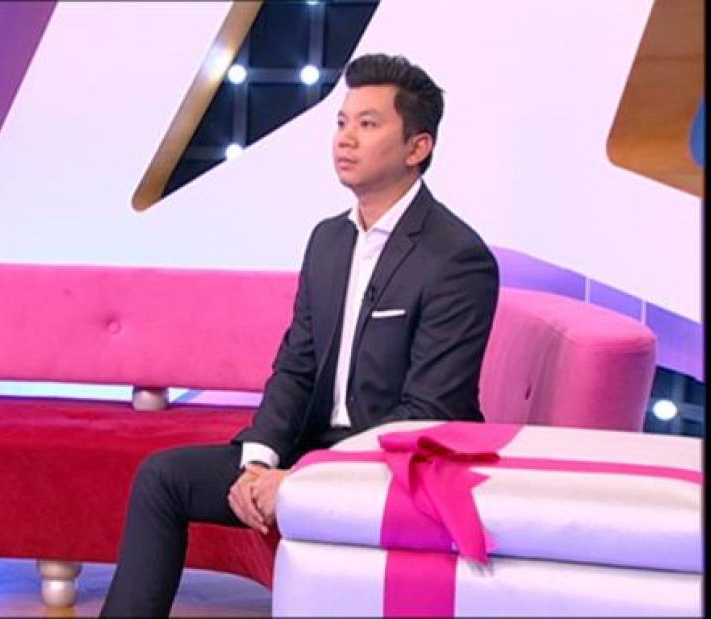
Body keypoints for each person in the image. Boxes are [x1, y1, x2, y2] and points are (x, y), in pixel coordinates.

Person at [100, 53, 499, 617]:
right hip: (311, 453)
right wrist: (259, 463)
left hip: (396, 471)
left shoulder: (455, 257)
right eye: (342, 122)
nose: (345, 139)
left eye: (368, 124)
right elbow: (296, 365)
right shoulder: (327, 241)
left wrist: (303, 479)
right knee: (163, 478)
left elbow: (428, 413)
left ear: (417, 148)